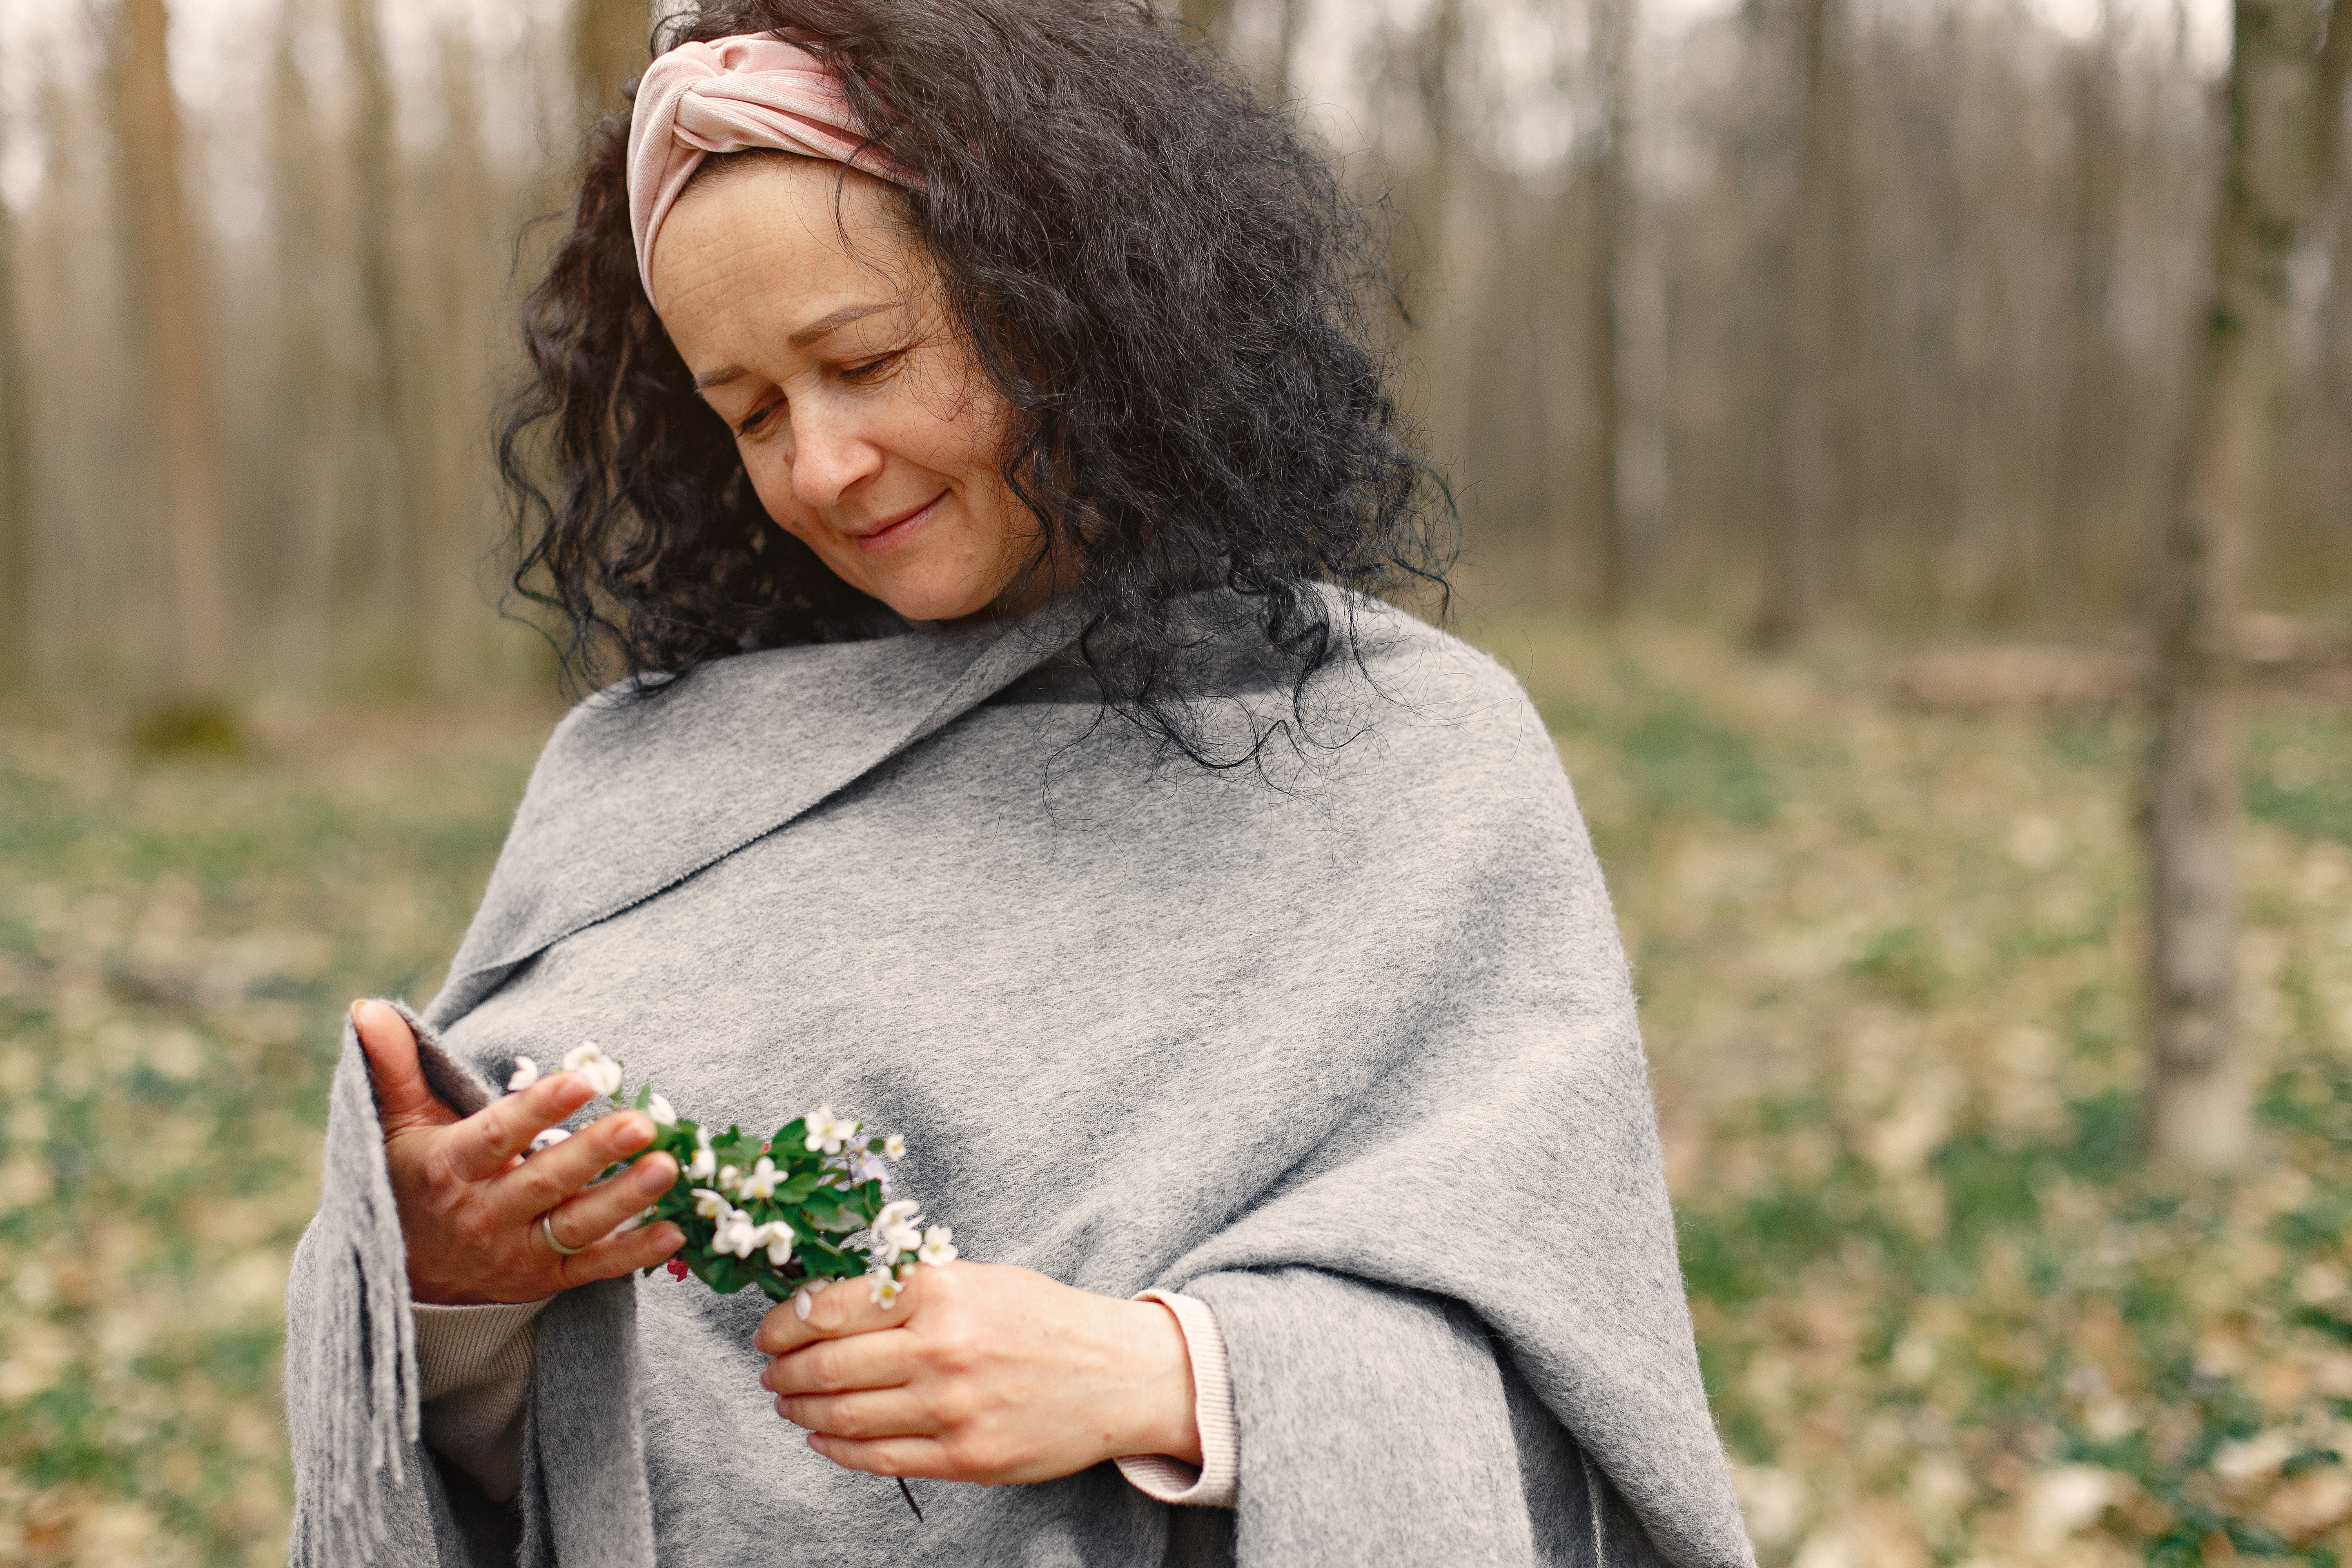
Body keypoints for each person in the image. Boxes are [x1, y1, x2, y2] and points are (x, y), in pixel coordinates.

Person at [283, 4, 1756, 1566]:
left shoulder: (1413, 758)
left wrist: (1166, 1378)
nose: (823, 467)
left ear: (1076, 309)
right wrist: (453, 1301)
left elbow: (1580, 1387)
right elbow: (567, 1467)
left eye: (866, 360)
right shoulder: (636, 787)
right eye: (754, 413)